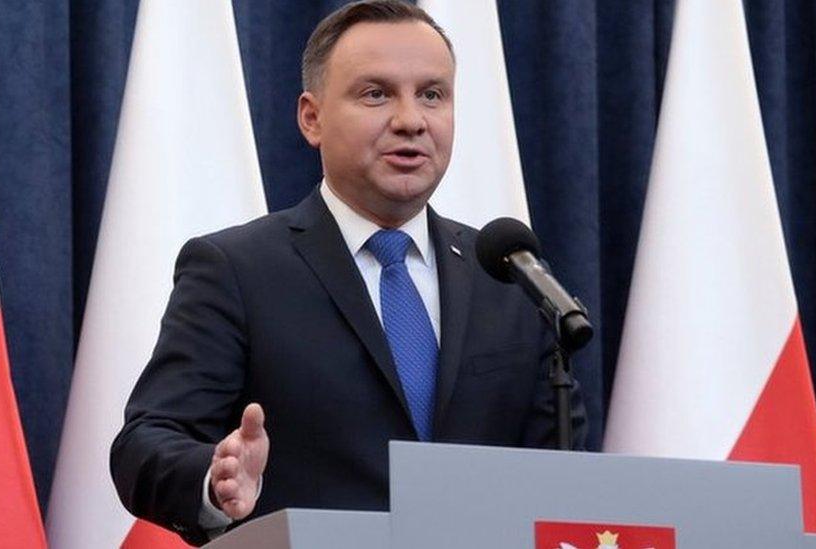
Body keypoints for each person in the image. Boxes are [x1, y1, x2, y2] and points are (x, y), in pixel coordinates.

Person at [110, 1, 586, 545]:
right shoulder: (237, 270)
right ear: (312, 118)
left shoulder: (508, 275)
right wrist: (213, 479)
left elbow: (560, 475)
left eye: (432, 94)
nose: (411, 120)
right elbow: (145, 442)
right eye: (376, 93)